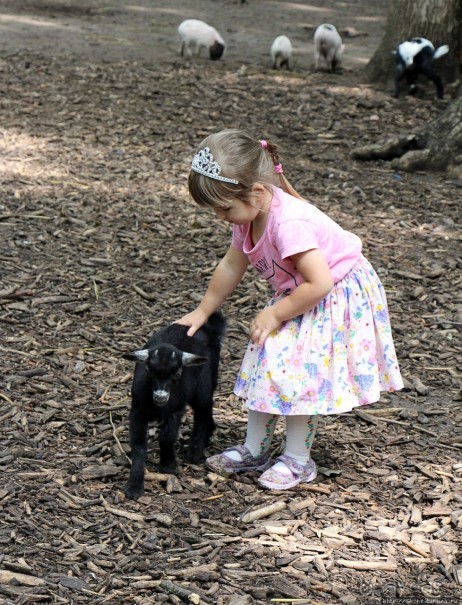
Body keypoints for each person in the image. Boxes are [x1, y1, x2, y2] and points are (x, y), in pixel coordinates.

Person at [177, 129, 403, 490]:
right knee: (270, 364)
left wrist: (276, 313)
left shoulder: (289, 224)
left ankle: (298, 460)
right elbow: (232, 265)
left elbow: (321, 283)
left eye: (224, 208)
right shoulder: (249, 215)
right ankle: (257, 447)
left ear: (257, 192)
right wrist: (204, 310)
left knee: (301, 376)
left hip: (331, 296)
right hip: (300, 294)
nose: (220, 216)